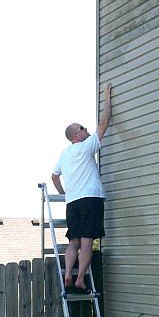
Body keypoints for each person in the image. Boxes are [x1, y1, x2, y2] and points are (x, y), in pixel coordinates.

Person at [51, 83, 112, 291]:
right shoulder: (86, 147)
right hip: (90, 199)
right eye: (82, 128)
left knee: (73, 242)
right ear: (76, 136)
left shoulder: (64, 154)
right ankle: (79, 279)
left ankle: (68, 273)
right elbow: (103, 124)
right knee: (87, 242)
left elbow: (54, 176)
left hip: (73, 202)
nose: (86, 129)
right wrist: (107, 98)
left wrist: (63, 194)